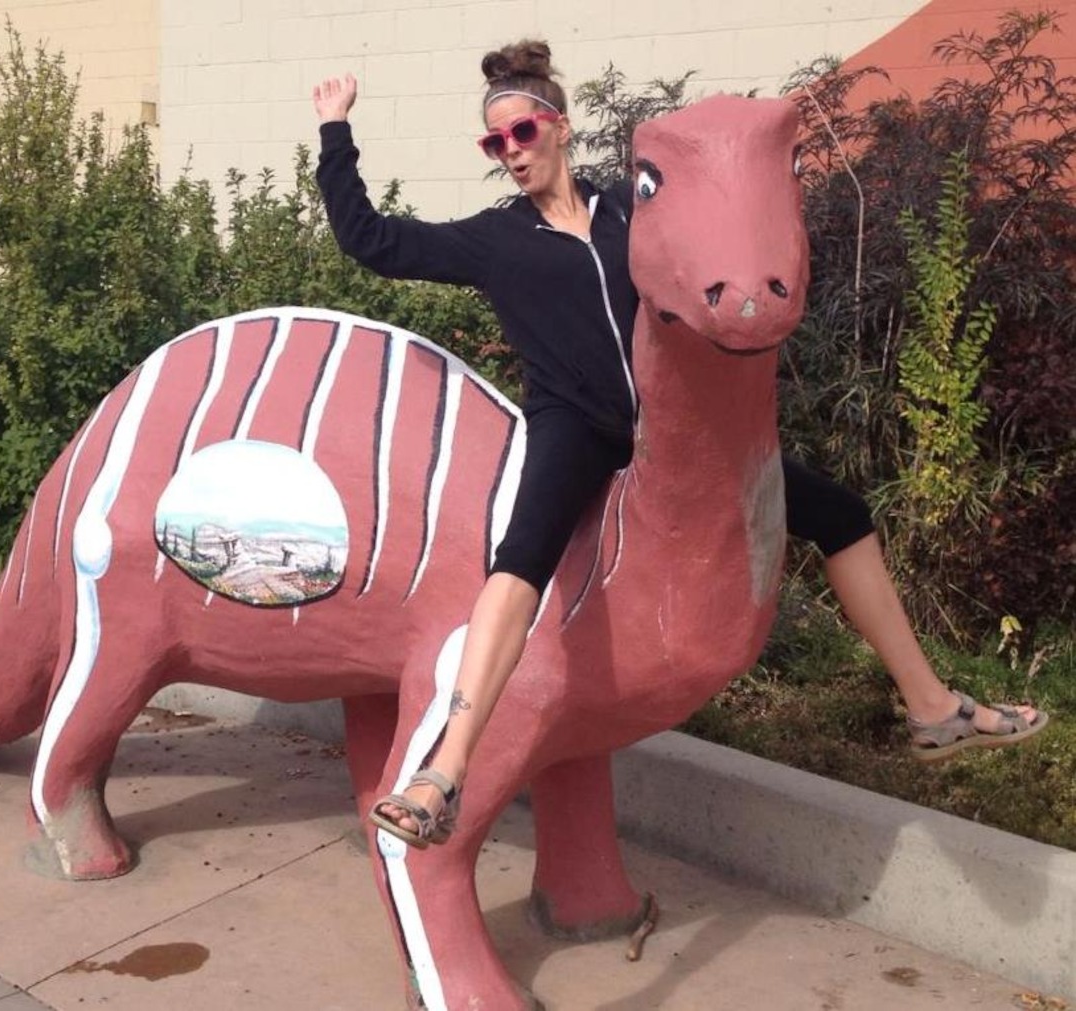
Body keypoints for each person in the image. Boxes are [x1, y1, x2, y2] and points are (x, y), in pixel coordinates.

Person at [311, 41, 1047, 848]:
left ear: (556, 127)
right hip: (579, 431)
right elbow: (371, 242)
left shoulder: (630, 212)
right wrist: (337, 131)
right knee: (520, 565)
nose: (510, 155)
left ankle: (931, 706)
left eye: (520, 134)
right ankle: (443, 771)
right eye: (494, 145)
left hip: (676, 440)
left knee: (840, 512)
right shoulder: (496, 240)